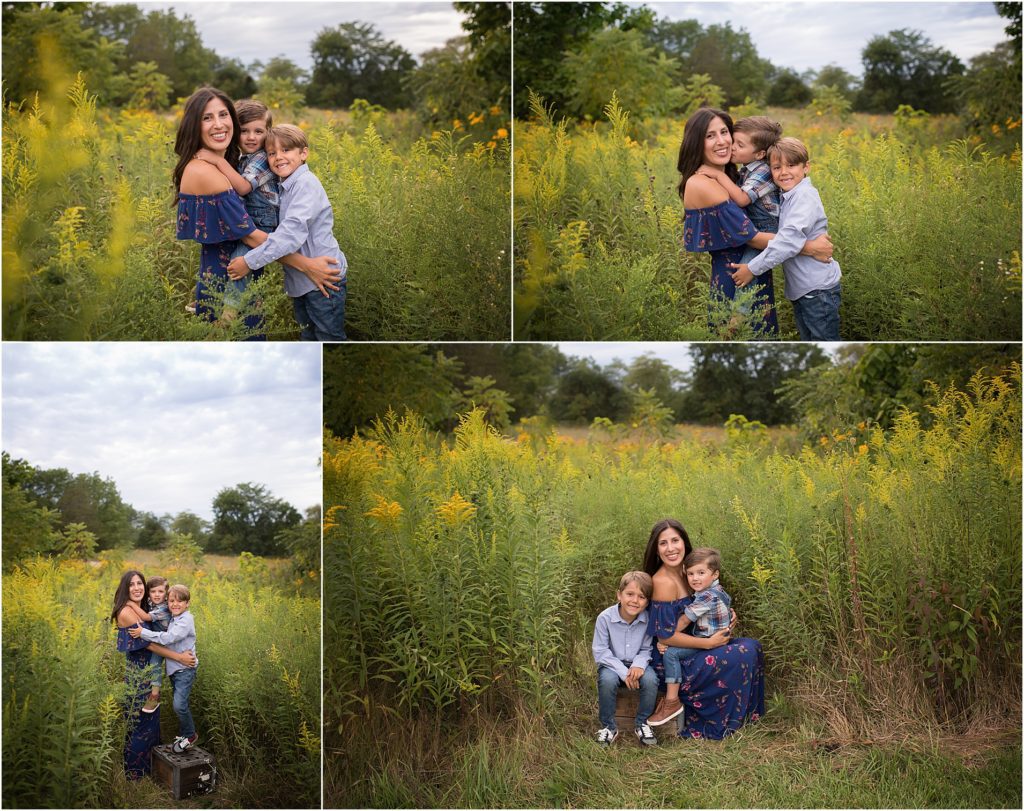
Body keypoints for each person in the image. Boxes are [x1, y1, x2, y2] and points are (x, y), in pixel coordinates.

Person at [173, 87, 342, 339]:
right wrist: (307, 266)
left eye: (223, 115)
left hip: (235, 278)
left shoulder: (227, 164)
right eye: (207, 117)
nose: (218, 124)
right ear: (193, 124)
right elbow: (250, 236)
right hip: (227, 284)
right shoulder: (205, 170)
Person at [678, 107, 833, 338]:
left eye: (724, 132)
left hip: (755, 271)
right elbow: (752, 237)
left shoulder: (734, 176)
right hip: (736, 279)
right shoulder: (703, 182)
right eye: (710, 135)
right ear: (696, 142)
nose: (722, 141)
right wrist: (810, 247)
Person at [642, 519, 765, 739]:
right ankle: (677, 705)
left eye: (675, 540)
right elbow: (665, 636)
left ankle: (744, 716)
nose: (670, 548)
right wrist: (708, 643)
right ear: (656, 550)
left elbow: (708, 602)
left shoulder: (688, 571)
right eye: (663, 543)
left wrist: (727, 615)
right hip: (672, 658)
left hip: (696, 642)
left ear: (684, 542)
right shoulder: (662, 582)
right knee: (740, 653)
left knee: (751, 646)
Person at [227, 124, 348, 341]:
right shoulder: (284, 186)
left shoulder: (305, 185)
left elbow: (289, 236)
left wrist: (249, 261)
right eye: (272, 153)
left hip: (324, 277)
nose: (278, 157)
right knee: (309, 338)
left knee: (329, 338)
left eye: (286, 150)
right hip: (303, 281)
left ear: (303, 153)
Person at [728, 137, 843, 340]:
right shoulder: (788, 195)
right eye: (777, 167)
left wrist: (752, 269)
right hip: (805, 289)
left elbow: (787, 242)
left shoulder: (804, 197)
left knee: (824, 342)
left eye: (791, 165)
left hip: (817, 290)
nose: (784, 172)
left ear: (806, 167)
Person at [193, 98, 281, 322]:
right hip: (249, 219)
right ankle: (210, 297)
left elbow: (242, 187)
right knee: (227, 259)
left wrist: (216, 161)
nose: (252, 137)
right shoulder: (244, 157)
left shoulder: (262, 158)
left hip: (262, 222)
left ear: (268, 133)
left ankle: (229, 313)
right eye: (244, 131)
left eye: (259, 131)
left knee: (238, 264)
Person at [111, 571, 197, 778]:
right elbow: (149, 644)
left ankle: (151, 769)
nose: (137, 588)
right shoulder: (127, 611)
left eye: (140, 583)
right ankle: (135, 774)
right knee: (140, 723)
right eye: (132, 585)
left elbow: (166, 626)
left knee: (149, 723)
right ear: (125, 588)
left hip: (150, 672)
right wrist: (179, 657)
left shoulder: (147, 606)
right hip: (141, 673)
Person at [647, 547, 731, 726]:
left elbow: (685, 620)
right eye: (691, 573)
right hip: (715, 636)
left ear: (715, 574)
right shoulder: (715, 590)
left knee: (671, 654)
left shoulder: (706, 597)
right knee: (671, 648)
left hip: (711, 640)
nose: (695, 578)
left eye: (701, 573)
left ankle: (671, 702)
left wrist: (666, 637)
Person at [129, 583, 200, 753]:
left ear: (187, 603)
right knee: (180, 704)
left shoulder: (186, 620)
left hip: (185, 670)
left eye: (179, 602)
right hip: (176, 670)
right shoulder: (174, 617)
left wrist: (143, 633)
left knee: (179, 705)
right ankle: (184, 736)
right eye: (171, 601)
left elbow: (169, 638)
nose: (175, 605)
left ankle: (190, 735)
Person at [592, 571, 659, 747]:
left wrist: (637, 666)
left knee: (651, 680)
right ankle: (608, 727)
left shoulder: (647, 620)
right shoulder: (605, 618)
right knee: (607, 680)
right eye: (630, 594)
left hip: (637, 662)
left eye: (642, 597)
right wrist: (624, 673)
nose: (635, 601)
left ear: (647, 602)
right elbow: (601, 652)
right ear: (619, 595)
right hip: (611, 664)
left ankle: (642, 723)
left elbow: (646, 649)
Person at [118, 575, 172, 713]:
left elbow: (147, 617)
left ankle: (155, 695)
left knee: (155, 665)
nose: (156, 595)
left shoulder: (163, 608)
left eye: (160, 592)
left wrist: (130, 604)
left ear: (166, 594)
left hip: (163, 643)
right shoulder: (146, 604)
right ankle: (154, 694)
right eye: (153, 592)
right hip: (140, 668)